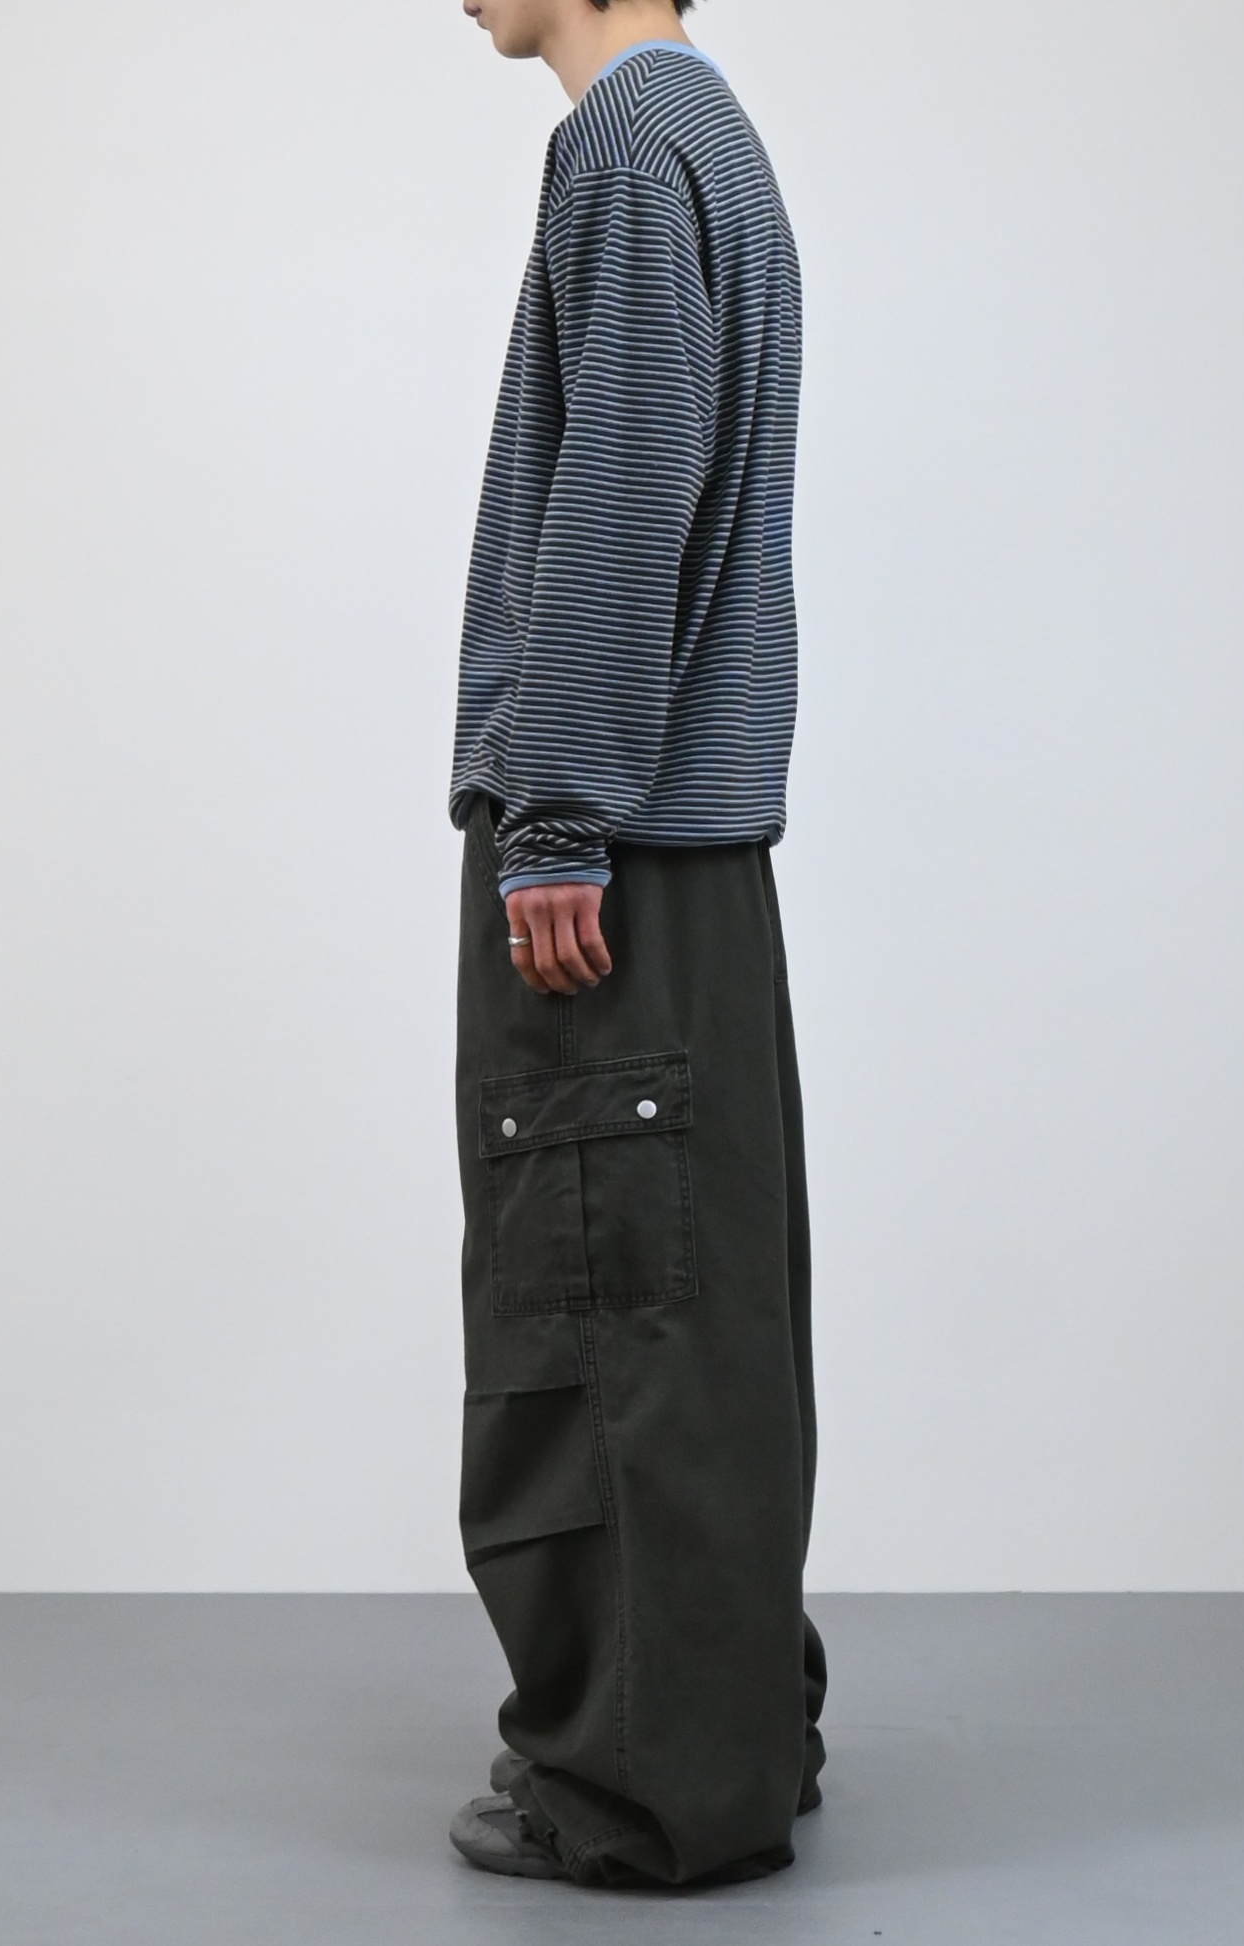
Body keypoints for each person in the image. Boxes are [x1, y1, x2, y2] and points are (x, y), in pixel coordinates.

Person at [448, 0, 824, 1889]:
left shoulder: (623, 144)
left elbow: (623, 484)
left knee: (602, 1309)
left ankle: (636, 1785)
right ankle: (736, 1729)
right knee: (705, 1312)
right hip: (695, 854)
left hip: (615, 862)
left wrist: (558, 815)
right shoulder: (713, 140)